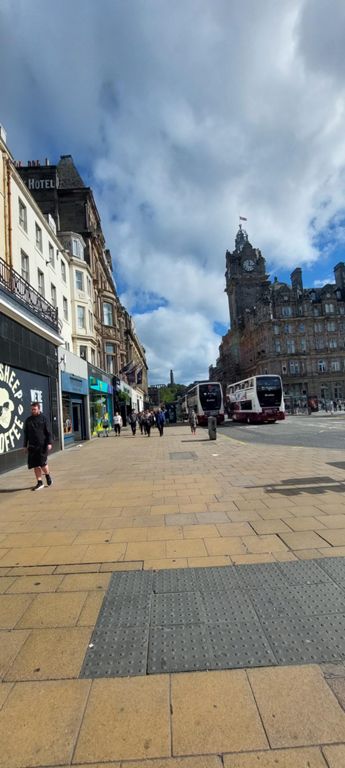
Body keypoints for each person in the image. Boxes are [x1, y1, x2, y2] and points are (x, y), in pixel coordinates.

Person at [23, 402, 53, 491]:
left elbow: (48, 432)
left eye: (34, 409)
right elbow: (26, 434)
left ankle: (47, 475)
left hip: (42, 445)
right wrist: (25, 445)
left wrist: (49, 443)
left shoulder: (44, 419)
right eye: (32, 409)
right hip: (32, 446)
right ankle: (39, 482)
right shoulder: (28, 420)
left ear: (39, 409)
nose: (33, 411)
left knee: (43, 464)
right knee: (35, 465)